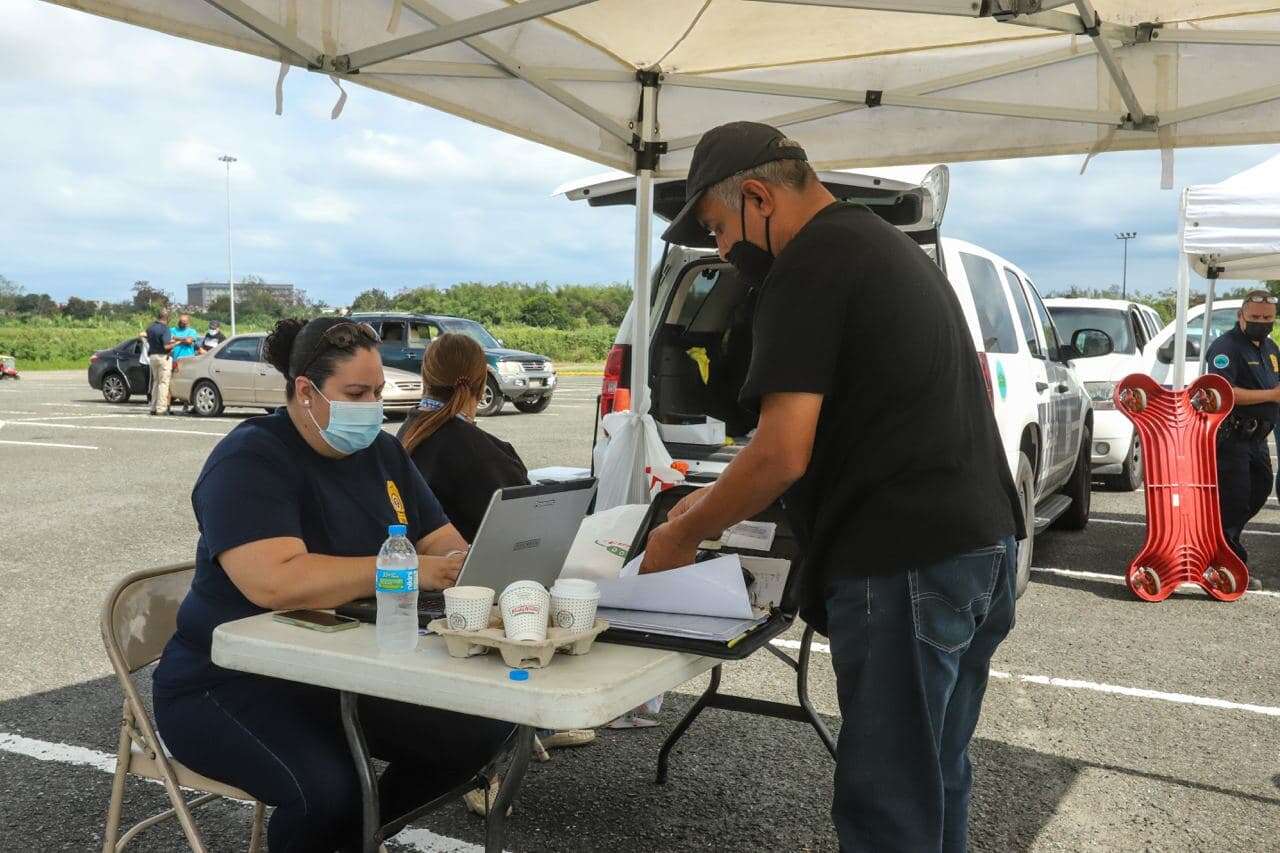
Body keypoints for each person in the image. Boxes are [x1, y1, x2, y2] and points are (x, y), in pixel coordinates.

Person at [642, 122, 1024, 853]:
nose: (724, 252)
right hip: (979, 545)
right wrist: (697, 504)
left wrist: (681, 531)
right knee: (934, 776)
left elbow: (782, 451)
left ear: (757, 195)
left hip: (904, 558)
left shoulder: (809, 264)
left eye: (720, 230)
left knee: (887, 802)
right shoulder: (877, 245)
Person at [152, 317, 513, 852]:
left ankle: (357, 837)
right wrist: (408, 568)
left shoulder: (383, 454)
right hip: (229, 681)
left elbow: (442, 541)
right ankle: (342, 829)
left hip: (338, 670)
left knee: (479, 732)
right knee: (328, 790)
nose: (372, 406)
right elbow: (274, 581)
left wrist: (478, 562)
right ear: (305, 390)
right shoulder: (251, 459)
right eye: (357, 393)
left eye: (378, 392)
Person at [396, 332, 595, 812]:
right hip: (471, 589)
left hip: (412, 584)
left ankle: (531, 728)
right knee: (556, 588)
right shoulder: (479, 447)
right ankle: (524, 726)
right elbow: (528, 523)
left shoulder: (401, 437)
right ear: (478, 381)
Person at [1205, 290, 1277, 592]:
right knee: (1233, 504)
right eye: (1255, 318)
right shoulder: (1227, 347)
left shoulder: (1270, 348)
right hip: (1232, 439)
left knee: (1258, 492)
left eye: (1267, 318)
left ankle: (1223, 546)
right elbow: (1221, 392)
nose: (1261, 323)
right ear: (1241, 316)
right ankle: (1226, 568)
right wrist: (1271, 396)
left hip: (1258, 440)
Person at [144, 308, 175, 415]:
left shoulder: (150, 327)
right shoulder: (165, 328)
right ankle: (161, 408)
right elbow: (166, 346)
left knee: (156, 382)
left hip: (152, 356)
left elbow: (148, 339)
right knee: (163, 383)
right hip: (163, 356)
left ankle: (153, 407)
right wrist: (177, 343)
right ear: (167, 318)